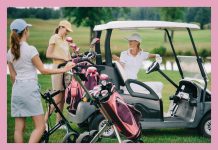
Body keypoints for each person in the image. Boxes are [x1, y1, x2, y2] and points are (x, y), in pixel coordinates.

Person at [7, 19, 74, 143]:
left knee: (18, 129)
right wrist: (64, 69)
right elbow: (43, 70)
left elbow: (12, 76)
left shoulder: (9, 52)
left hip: (16, 91)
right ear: (25, 31)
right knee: (40, 127)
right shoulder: (31, 50)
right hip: (30, 90)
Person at [112, 33, 163, 97]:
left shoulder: (142, 54)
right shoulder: (124, 54)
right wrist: (118, 59)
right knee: (159, 85)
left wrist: (158, 57)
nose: (129, 42)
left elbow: (152, 55)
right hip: (126, 83)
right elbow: (122, 66)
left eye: (131, 41)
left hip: (134, 82)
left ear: (137, 42)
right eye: (129, 41)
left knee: (158, 86)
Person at [44, 20, 73, 128]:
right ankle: (44, 122)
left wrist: (72, 60)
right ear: (61, 27)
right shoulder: (54, 37)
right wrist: (64, 58)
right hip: (57, 69)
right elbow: (48, 54)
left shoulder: (65, 41)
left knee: (63, 97)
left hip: (65, 69)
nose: (67, 32)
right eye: (66, 30)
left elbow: (68, 57)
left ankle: (59, 123)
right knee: (57, 98)